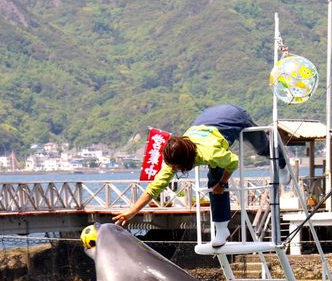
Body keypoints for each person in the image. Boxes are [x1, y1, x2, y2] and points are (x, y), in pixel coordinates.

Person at [112, 103, 289, 247]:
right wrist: (131, 212)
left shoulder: (210, 153)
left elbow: (233, 161)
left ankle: (282, 164)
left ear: (187, 160)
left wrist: (222, 183)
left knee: (260, 148)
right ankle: (221, 228)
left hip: (233, 116)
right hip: (207, 118)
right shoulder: (176, 154)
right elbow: (155, 187)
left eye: (176, 168)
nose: (174, 170)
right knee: (214, 179)